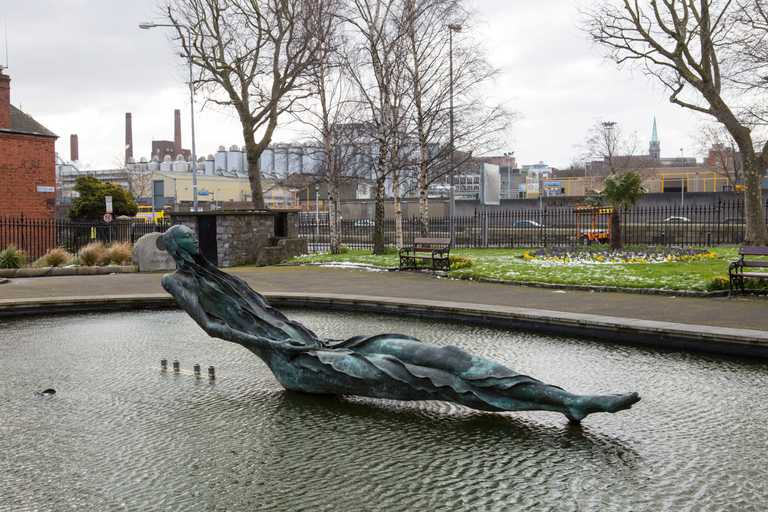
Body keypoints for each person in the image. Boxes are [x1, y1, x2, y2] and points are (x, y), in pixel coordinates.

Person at [158, 225, 640, 422]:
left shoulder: (214, 274)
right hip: (297, 365)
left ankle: (567, 398)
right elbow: (213, 329)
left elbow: (267, 310)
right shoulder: (179, 284)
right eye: (186, 243)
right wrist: (279, 347)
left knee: (446, 357)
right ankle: (564, 405)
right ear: (175, 250)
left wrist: (301, 338)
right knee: (432, 382)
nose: (194, 249)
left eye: (192, 241)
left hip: (316, 343)